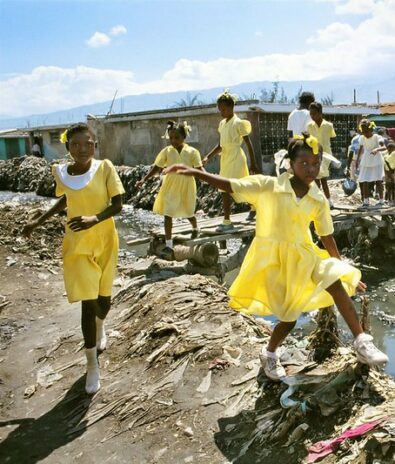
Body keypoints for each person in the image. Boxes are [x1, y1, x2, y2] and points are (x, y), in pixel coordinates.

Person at [164, 133, 389, 380]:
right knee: (289, 318)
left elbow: (326, 236)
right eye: (304, 163)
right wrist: (197, 173)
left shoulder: (318, 198)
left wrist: (343, 268)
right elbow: (232, 185)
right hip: (274, 260)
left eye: (315, 163)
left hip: (305, 254)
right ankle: (269, 352)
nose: (310, 169)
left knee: (335, 281)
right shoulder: (269, 187)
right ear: (290, 164)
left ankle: (361, 342)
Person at [22, 123, 124, 394]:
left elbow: (118, 204)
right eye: (76, 145)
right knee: (88, 305)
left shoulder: (104, 168)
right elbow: (65, 200)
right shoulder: (62, 173)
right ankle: (91, 364)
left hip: (105, 242)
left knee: (104, 302)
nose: (82, 149)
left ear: (95, 145)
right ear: (68, 147)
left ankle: (101, 326)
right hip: (76, 245)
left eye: (87, 144)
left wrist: (95, 218)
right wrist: (37, 222)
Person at [136, 121, 202, 257]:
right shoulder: (166, 151)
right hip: (170, 185)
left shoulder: (192, 152)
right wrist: (144, 179)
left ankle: (195, 227)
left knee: (188, 211)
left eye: (176, 137)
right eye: (171, 138)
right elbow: (157, 167)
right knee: (168, 213)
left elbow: (199, 169)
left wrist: (210, 179)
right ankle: (169, 244)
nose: (173, 140)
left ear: (184, 137)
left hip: (187, 185)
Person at [203, 90, 258, 231]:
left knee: (226, 188)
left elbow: (248, 143)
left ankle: (227, 221)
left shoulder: (238, 123)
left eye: (224, 109)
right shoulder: (222, 124)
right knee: (240, 186)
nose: (221, 112)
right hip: (226, 158)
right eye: (220, 110)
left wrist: (253, 163)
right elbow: (221, 145)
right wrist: (208, 156)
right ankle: (255, 205)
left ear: (232, 107)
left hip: (236, 158)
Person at [346, 119, 386, 208]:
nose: (365, 134)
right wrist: (357, 161)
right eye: (363, 132)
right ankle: (366, 201)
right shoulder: (362, 138)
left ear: (371, 130)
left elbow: (384, 147)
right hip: (366, 160)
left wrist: (377, 149)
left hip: (377, 160)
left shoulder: (377, 137)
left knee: (378, 180)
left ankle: (381, 200)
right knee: (364, 180)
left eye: (367, 131)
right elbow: (361, 149)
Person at [307, 102, 341, 207]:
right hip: (314, 154)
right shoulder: (309, 126)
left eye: (314, 114)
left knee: (324, 178)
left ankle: (329, 200)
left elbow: (333, 140)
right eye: (311, 114)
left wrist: (335, 155)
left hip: (326, 155)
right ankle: (318, 200)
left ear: (320, 113)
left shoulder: (328, 126)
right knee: (316, 178)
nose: (312, 116)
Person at [383, 140, 395, 206]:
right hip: (388, 173)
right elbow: (385, 165)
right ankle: (388, 200)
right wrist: (388, 173)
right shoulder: (386, 156)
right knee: (388, 187)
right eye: (389, 149)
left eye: (392, 149)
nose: (390, 150)